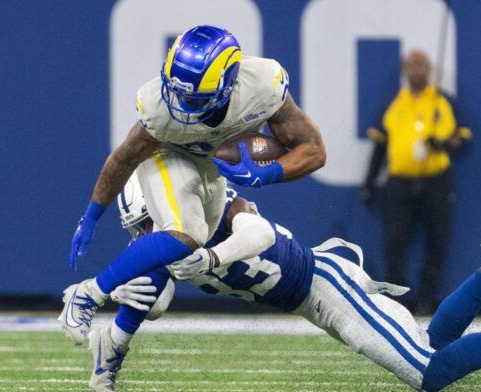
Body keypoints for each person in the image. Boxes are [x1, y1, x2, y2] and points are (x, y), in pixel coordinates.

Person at [87, 176, 481, 391]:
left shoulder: (218, 208)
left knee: (429, 373)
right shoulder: (167, 247)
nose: (147, 236)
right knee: (431, 346)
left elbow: (260, 231)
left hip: (325, 285)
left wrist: (210, 256)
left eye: (149, 225)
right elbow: (159, 298)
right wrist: (138, 302)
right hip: (316, 296)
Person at [59, 25, 326, 345]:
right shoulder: (159, 107)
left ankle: (108, 336)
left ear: (229, 84)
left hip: (213, 170)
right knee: (186, 234)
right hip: (172, 158)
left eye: (194, 97)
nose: (182, 103)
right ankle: (89, 295)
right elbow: (123, 159)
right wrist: (91, 217)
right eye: (178, 92)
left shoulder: (263, 85)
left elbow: (313, 150)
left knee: (193, 240)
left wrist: (266, 174)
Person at [362, 50, 472, 313]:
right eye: (411, 64)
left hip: (436, 180)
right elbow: (380, 145)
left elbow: (463, 138)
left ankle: (427, 299)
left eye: (420, 64)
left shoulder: (443, 101)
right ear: (403, 69)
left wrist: (443, 144)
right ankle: (398, 299)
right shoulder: (395, 103)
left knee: (436, 241)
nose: (416, 69)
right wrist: (369, 181)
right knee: (395, 242)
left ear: (430, 68)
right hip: (399, 181)